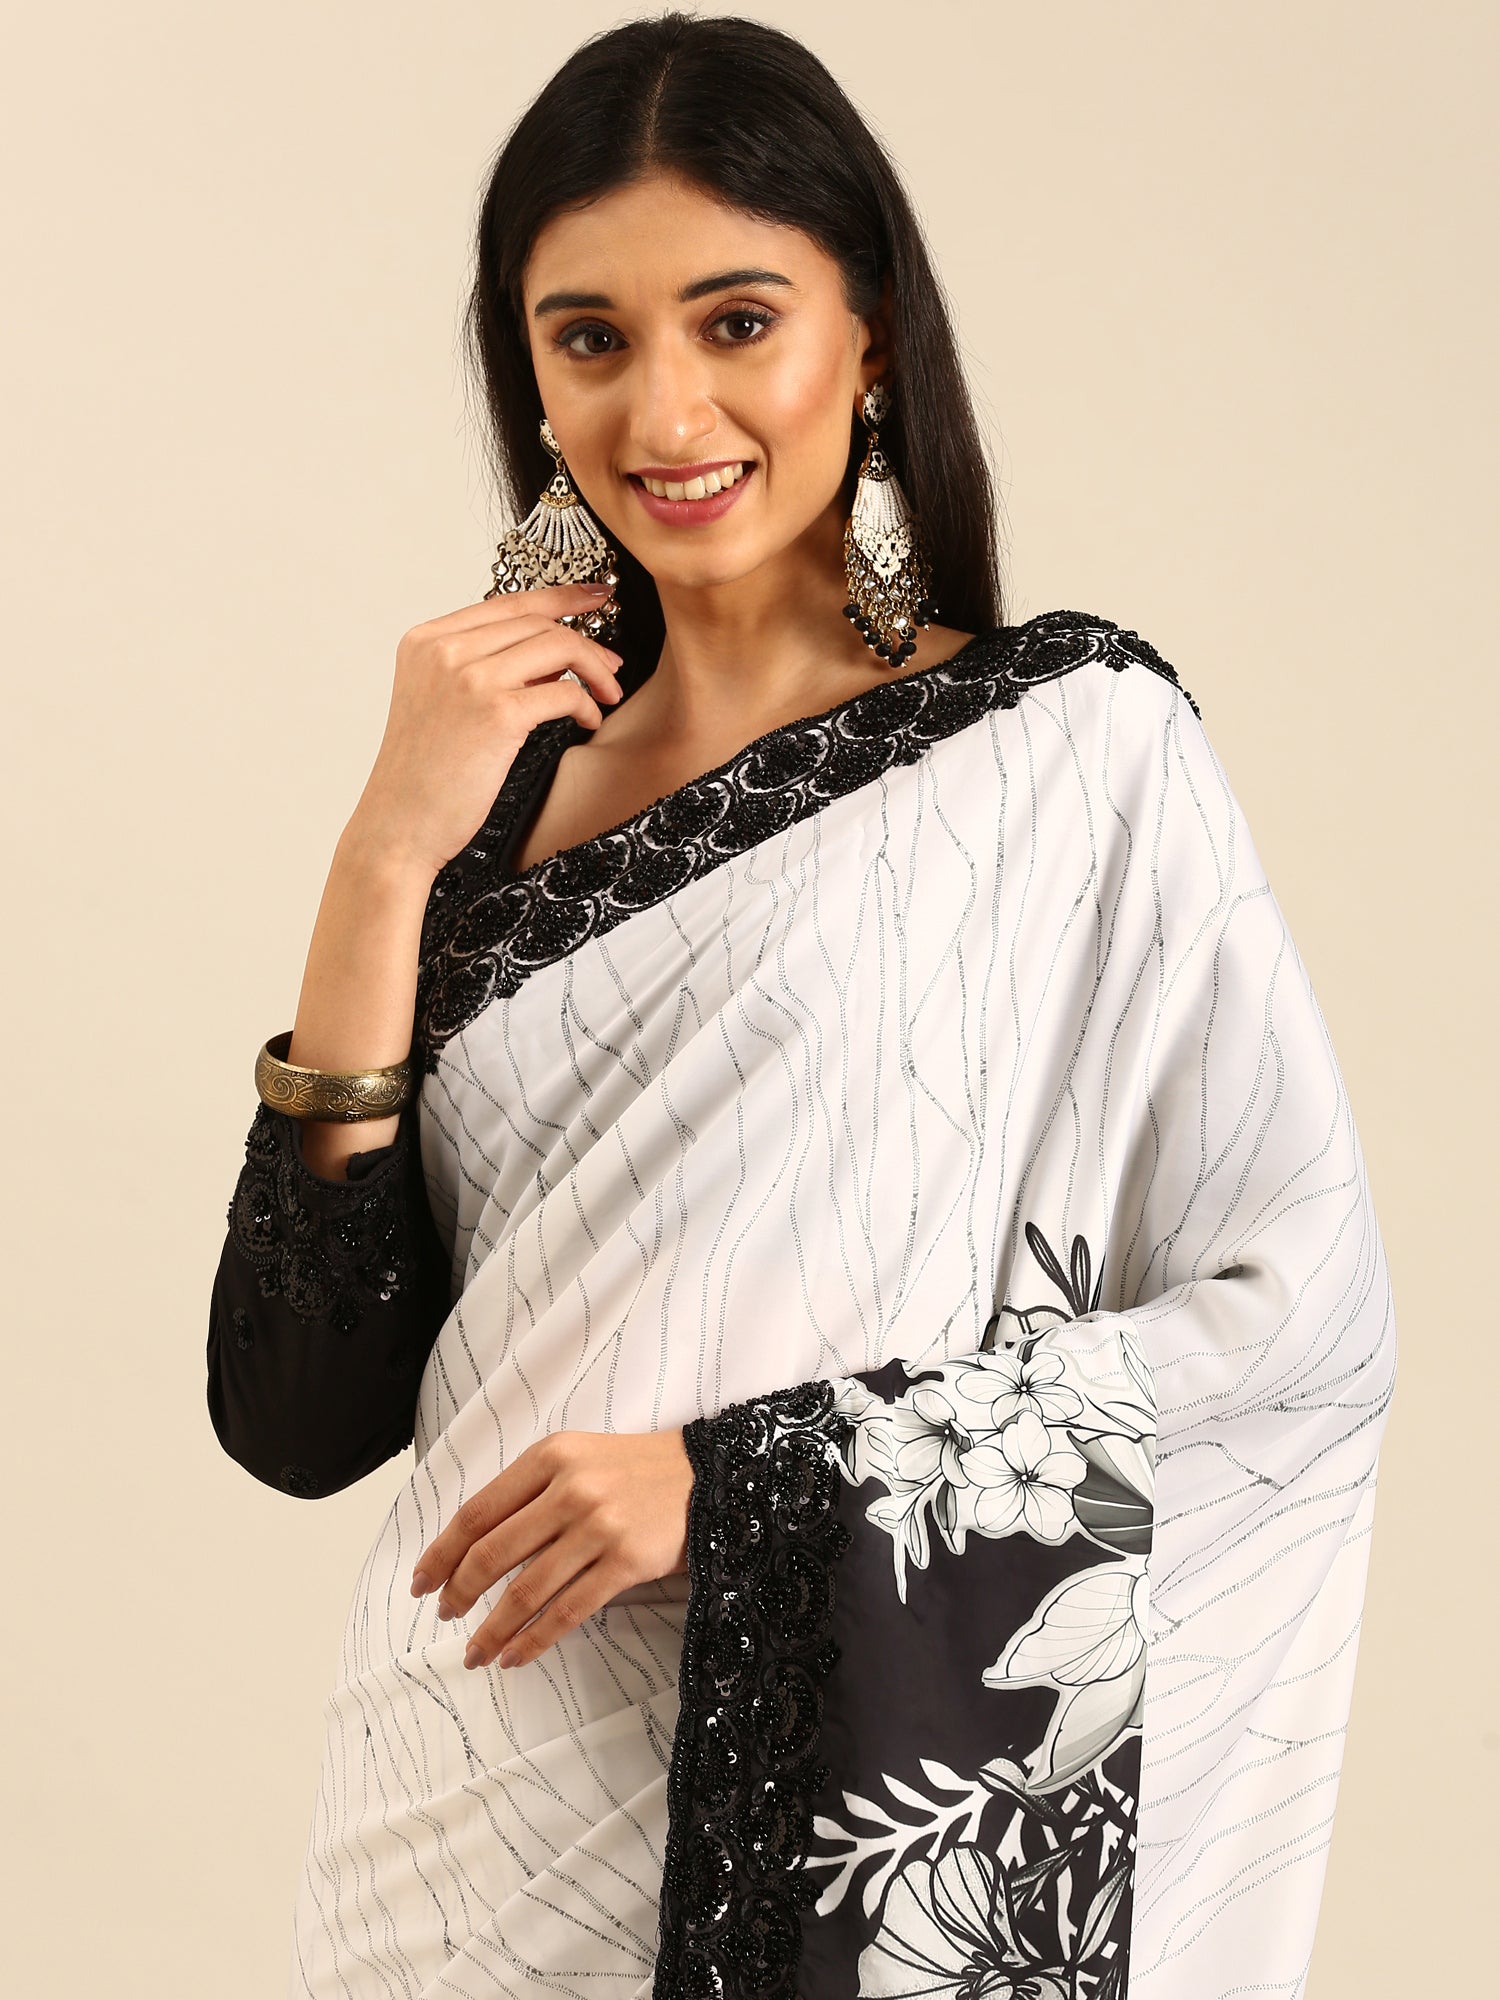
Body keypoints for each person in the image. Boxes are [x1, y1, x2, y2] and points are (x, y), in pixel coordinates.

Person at [204, 14, 1397, 1999]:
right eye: (590, 338)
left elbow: (1303, 1321)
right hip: (457, 1828)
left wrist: (750, 1480)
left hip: (834, 1796)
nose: (665, 407)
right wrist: (382, 855)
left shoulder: (1069, 750)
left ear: (871, 337)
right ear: (529, 373)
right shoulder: (480, 810)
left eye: (737, 321)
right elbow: (300, 1414)